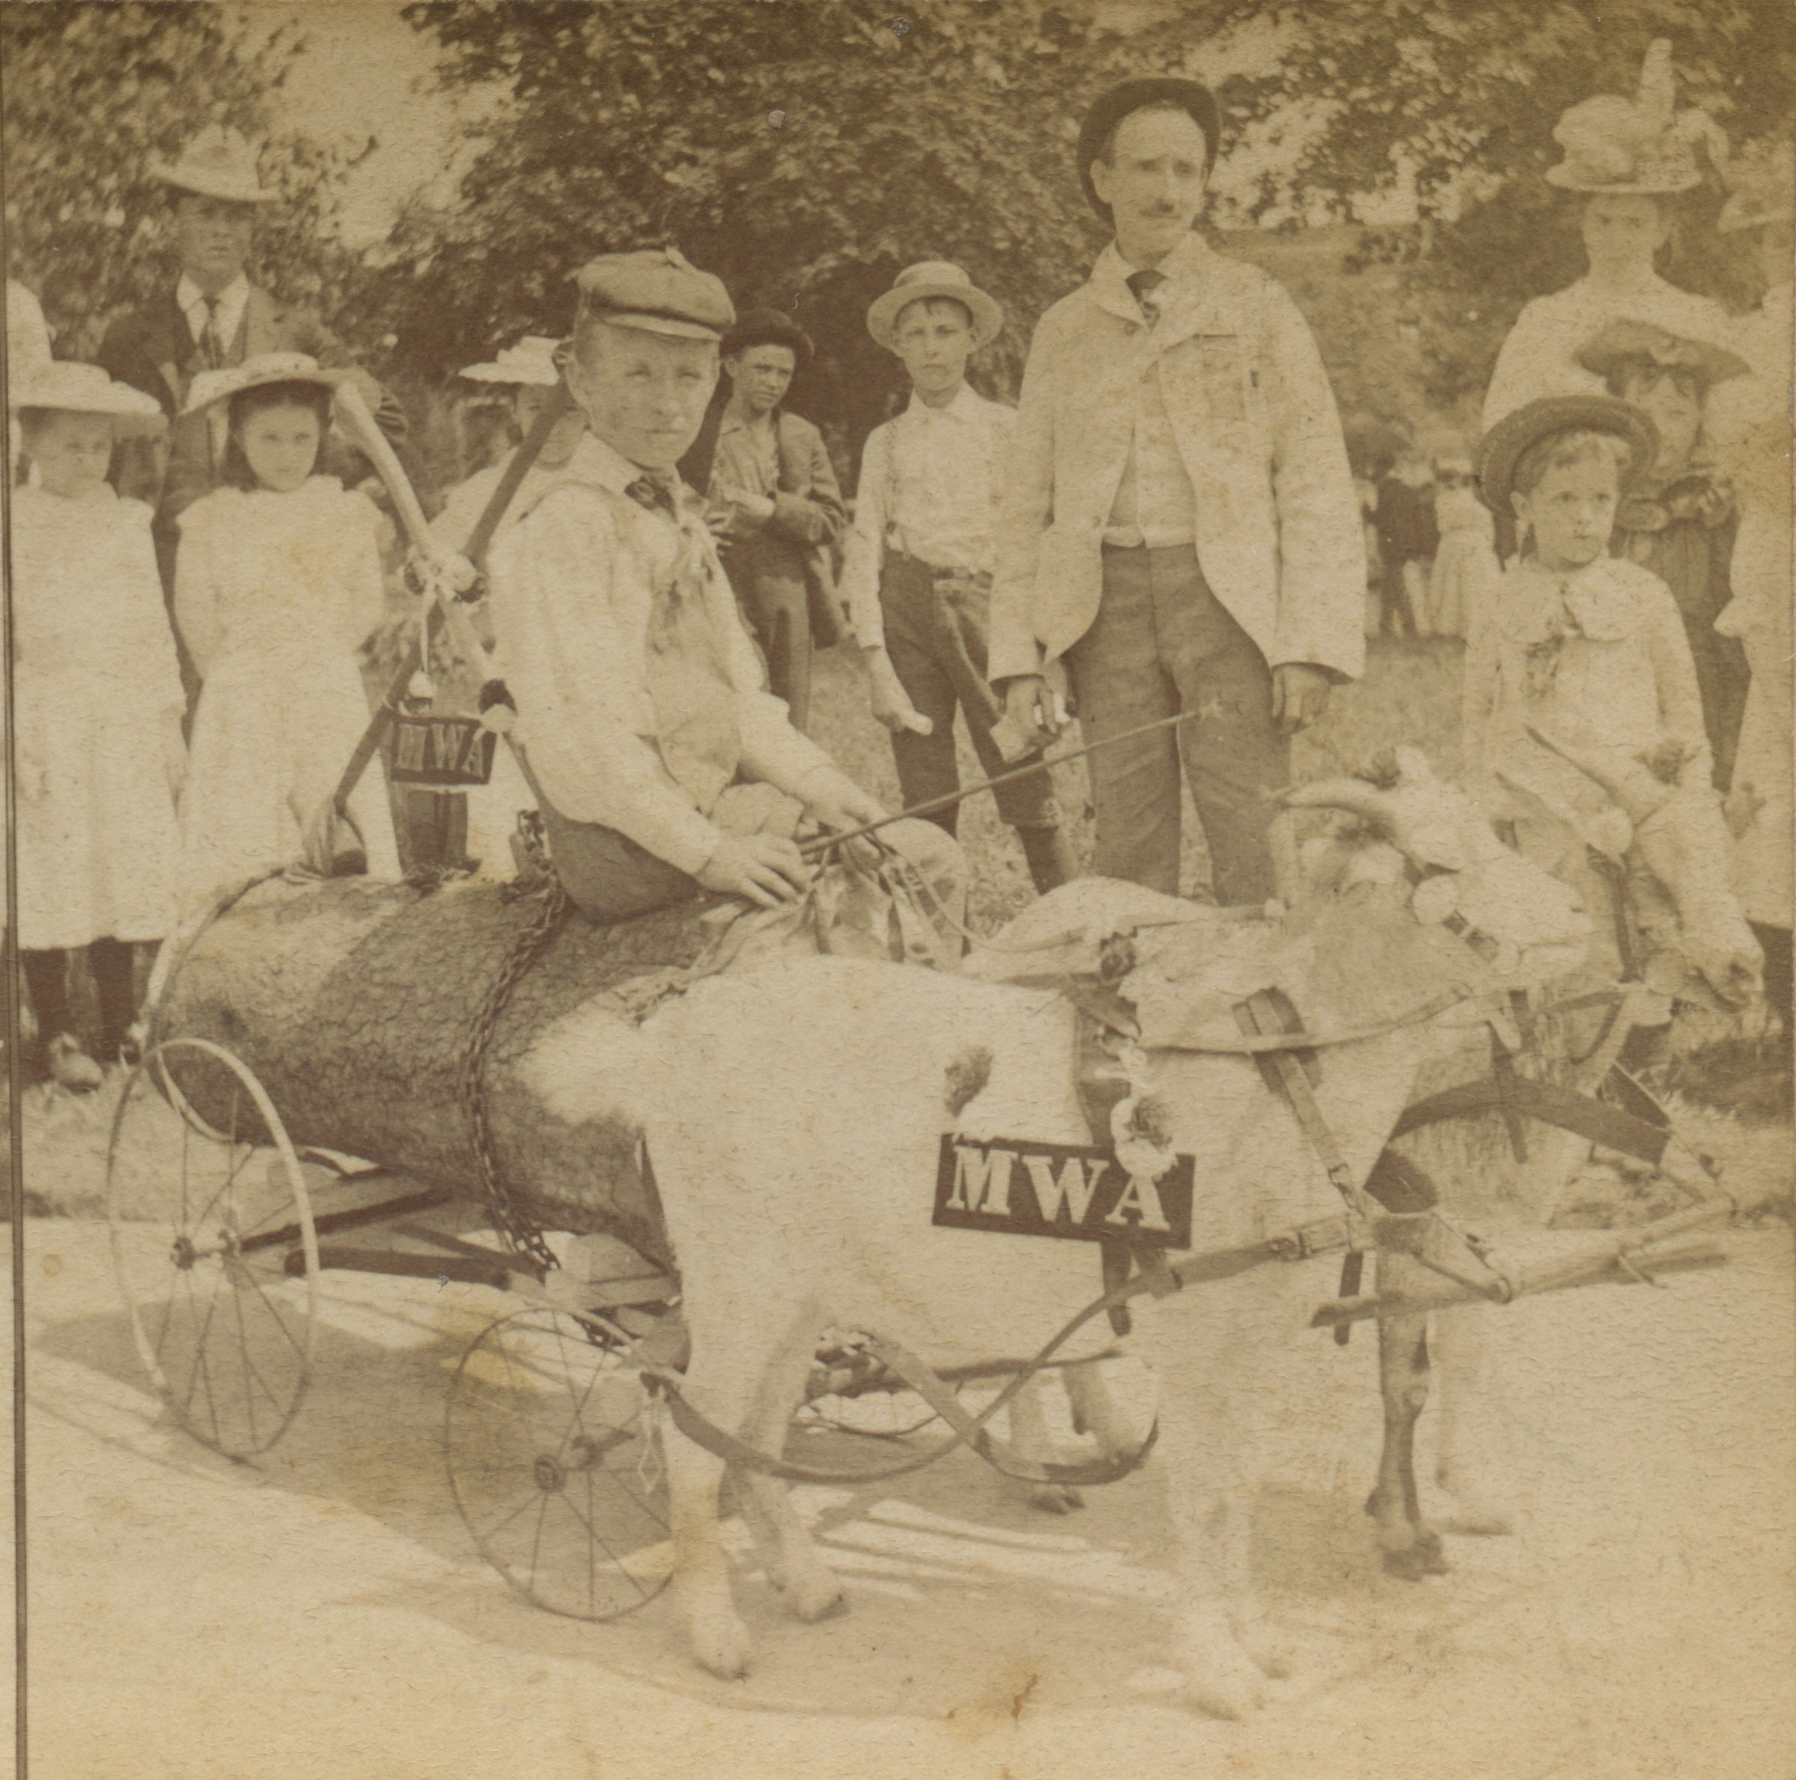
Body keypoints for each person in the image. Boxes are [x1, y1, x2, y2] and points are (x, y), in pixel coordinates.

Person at [485, 248, 950, 924]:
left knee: (919, 854)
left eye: (689, 376)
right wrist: (711, 854)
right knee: (859, 901)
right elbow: (586, 739)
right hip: (623, 842)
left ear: (714, 382)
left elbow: (740, 703)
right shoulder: (567, 525)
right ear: (580, 381)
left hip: (696, 808)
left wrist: (824, 787)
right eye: (638, 373)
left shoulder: (673, 514)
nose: (668, 403)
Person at [991, 77, 1365, 905]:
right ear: (1102, 178)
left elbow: (1314, 477)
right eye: (1146, 168)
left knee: (1255, 831)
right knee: (1127, 842)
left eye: (1186, 171)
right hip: (1105, 612)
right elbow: (1025, 506)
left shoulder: (1257, 306)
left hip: (1227, 603)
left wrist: (1307, 643)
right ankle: (1138, 986)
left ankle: (1267, 987)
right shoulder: (1065, 328)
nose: (1168, 192)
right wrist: (1020, 657)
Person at [95, 126, 408, 697]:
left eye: (237, 216)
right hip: (155, 563)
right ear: (175, 218)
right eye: (205, 213)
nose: (221, 230)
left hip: (260, 569)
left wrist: (343, 396)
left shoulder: (297, 330)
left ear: (253, 227)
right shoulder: (128, 337)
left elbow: (385, 426)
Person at [1464, 394, 1755, 997]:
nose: (1584, 519)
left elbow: (1684, 709)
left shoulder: (1642, 593)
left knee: (1646, 938)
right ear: (1523, 507)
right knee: (1564, 943)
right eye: (1563, 500)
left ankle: (1646, 1030)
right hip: (1538, 806)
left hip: (1636, 803)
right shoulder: (1499, 598)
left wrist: (1688, 795)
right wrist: (1482, 801)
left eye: (1600, 500)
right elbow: (1477, 710)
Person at [841, 262, 1078, 895]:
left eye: (945, 331)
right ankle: (940, 935)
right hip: (907, 616)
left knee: (1021, 768)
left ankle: (1072, 919)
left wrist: (1046, 653)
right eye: (915, 335)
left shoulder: (1006, 428)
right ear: (897, 346)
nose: (932, 348)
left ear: (973, 339)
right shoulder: (886, 441)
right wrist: (876, 662)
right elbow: (864, 547)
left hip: (988, 613)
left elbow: (1041, 540)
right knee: (925, 791)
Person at [8, 362, 185, 1089]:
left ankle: (122, 1022)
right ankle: (57, 1030)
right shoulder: (15, 523)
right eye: (70, 446)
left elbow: (151, 627)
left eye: (99, 447)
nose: (87, 461)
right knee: (51, 866)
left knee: (115, 862)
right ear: (31, 444)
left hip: (118, 708)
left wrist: (167, 721)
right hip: (45, 707)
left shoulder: (124, 523)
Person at [173, 353, 402, 911]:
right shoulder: (215, 517)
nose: (287, 454)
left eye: (302, 438)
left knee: (330, 786)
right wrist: (237, 668)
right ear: (239, 439)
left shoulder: (343, 510)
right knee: (246, 805)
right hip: (244, 680)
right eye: (269, 439)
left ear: (322, 437)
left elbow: (365, 602)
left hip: (322, 675)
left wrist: (320, 650)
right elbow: (195, 612)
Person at [1481, 41, 1732, 433]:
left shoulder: (1697, 318)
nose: (1618, 238)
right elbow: (1503, 427)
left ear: (1662, 230)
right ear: (1582, 224)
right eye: (1604, 220)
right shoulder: (1545, 319)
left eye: (1635, 224)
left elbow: (1727, 430)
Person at [423, 334, 583, 875]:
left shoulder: (610, 480)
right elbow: (434, 554)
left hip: (599, 653)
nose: (552, 424)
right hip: (526, 654)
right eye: (537, 408)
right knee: (526, 764)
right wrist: (447, 572)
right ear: (515, 411)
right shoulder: (487, 490)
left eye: (567, 410)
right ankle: (528, 866)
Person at [1575, 318, 1752, 785]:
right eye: (1647, 415)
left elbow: (1732, 597)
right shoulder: (1599, 499)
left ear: (1700, 421)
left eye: (1677, 415)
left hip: (1697, 668)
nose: (1663, 431)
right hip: (1612, 663)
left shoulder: (1713, 504)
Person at [1711, 142, 1795, 1020]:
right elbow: (1749, 452)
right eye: (1777, 239)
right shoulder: (1755, 337)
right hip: (1782, 547)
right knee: (1776, 793)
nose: (1790, 253)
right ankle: (1786, 1019)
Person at [679, 308, 846, 733]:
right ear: (731, 366)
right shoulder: (693, 428)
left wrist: (774, 511)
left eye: (783, 373)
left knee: (789, 712)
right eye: (762, 369)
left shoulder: (800, 435)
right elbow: (659, 499)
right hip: (717, 578)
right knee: (732, 699)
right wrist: (693, 523)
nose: (773, 382)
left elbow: (831, 520)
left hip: (786, 586)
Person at [1426, 449, 1496, 639]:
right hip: (1474, 540)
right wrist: (1487, 543)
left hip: (1452, 541)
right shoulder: (1476, 500)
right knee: (1474, 582)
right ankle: (1476, 624)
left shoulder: (1443, 499)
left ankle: (1451, 625)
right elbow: (1486, 524)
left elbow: (1441, 526)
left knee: (1452, 582)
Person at [1372, 447, 1439, 637]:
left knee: (1395, 583)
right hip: (1407, 544)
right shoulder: (1407, 490)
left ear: (1382, 469)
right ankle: (1386, 624)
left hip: (1391, 544)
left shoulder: (1383, 490)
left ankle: (1408, 625)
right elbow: (1418, 520)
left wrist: (1366, 513)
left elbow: (1382, 520)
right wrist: (1418, 545)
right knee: (1390, 583)